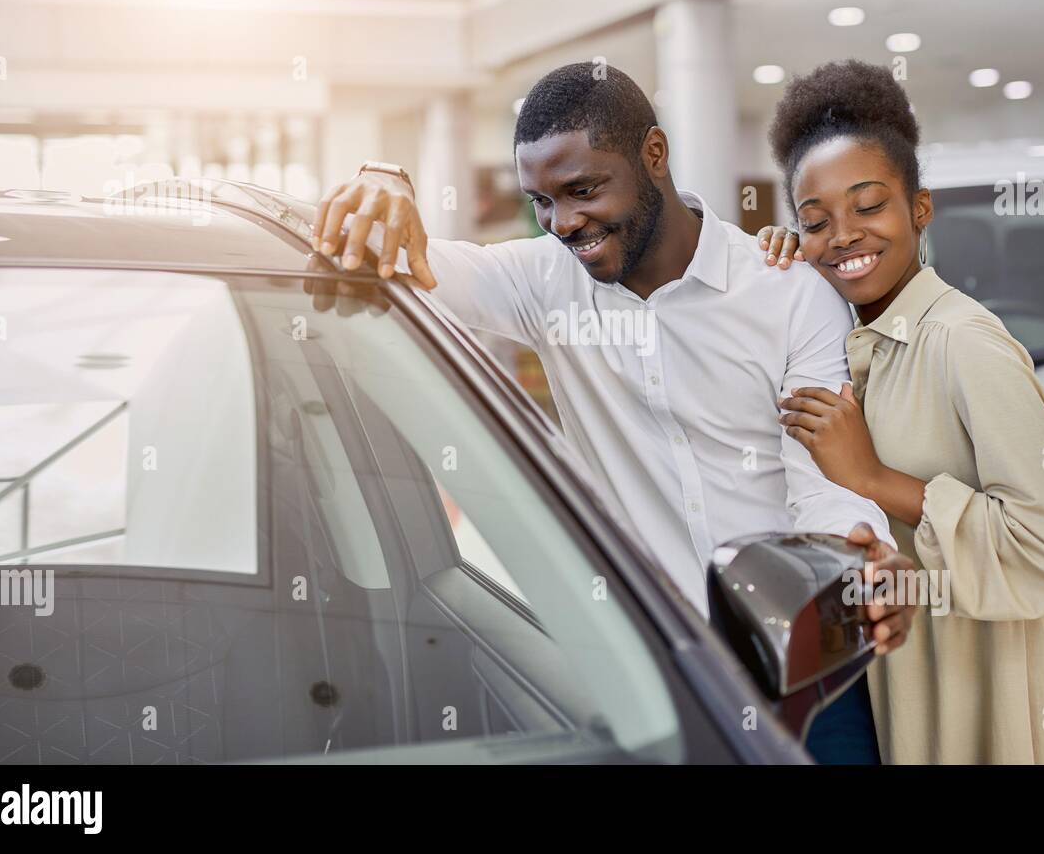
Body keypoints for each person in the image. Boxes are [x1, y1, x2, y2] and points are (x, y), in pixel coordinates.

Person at [314, 62, 917, 763]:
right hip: (656, 678)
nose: (564, 222)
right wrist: (383, 177)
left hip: (803, 664)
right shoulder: (544, 281)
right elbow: (390, 257)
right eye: (541, 200)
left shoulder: (787, 291)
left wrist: (857, 562)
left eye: (583, 190)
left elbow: (822, 475)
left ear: (653, 156)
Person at [757, 59, 1044, 764]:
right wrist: (783, 270)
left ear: (919, 209)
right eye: (815, 220)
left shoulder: (962, 343)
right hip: (910, 671)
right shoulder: (852, 339)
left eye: (869, 205)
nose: (844, 235)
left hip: (1000, 680)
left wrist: (876, 479)